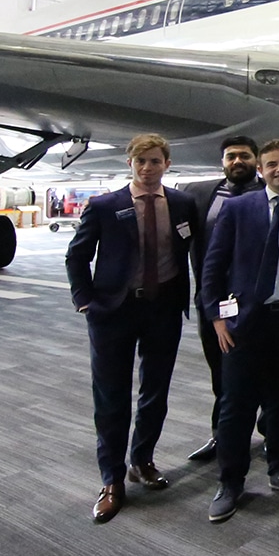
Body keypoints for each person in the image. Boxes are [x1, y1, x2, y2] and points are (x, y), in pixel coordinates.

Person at [65, 134, 198, 524]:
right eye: (140, 161)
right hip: (114, 312)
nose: (147, 168)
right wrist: (85, 300)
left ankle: (142, 459)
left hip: (163, 309)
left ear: (167, 164)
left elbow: (190, 249)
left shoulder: (182, 203)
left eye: (155, 161)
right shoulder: (105, 205)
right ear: (130, 164)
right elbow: (77, 255)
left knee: (155, 391)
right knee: (111, 396)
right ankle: (112, 479)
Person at [199, 139, 279, 522]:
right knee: (236, 405)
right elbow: (212, 267)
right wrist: (216, 317)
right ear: (261, 169)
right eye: (272, 164)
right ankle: (231, 481)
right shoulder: (236, 208)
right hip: (242, 324)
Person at [186, 135, 264, 463]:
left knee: (268, 374)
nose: (237, 162)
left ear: (255, 161)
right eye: (231, 156)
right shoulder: (198, 194)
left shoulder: (272, 192)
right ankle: (223, 435)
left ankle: (273, 436)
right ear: (222, 161)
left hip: (260, 303)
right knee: (220, 373)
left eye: (244, 156)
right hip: (213, 301)